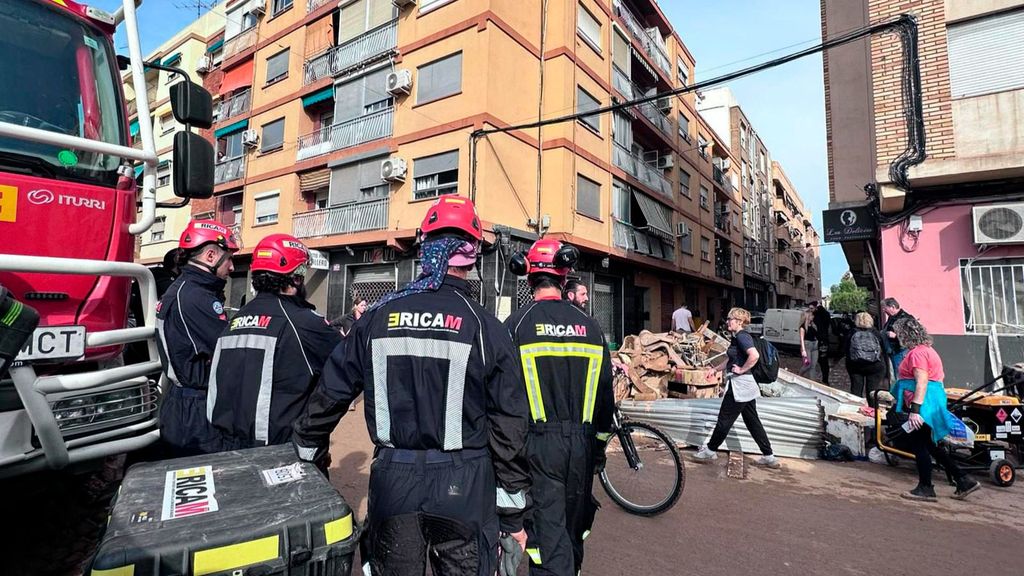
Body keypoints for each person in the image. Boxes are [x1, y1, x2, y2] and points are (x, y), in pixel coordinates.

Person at [292, 195, 531, 576]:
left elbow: (332, 390)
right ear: (472, 255)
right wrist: (514, 514)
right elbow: (510, 424)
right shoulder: (486, 327)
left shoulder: (377, 316)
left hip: (393, 481)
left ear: (424, 248)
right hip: (464, 485)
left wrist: (305, 449)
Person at [504, 239, 614, 576]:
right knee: (573, 527)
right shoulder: (591, 328)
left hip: (537, 447)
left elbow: (504, 400)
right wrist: (596, 451)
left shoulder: (517, 325)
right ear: (565, 277)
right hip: (581, 446)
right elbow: (605, 398)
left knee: (545, 536)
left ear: (528, 279)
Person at [206, 234, 341, 451]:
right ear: (296, 278)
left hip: (226, 444)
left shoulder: (234, 321)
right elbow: (349, 367)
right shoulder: (303, 322)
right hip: (280, 448)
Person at [154, 220, 239, 456]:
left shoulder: (186, 289)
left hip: (185, 403)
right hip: (195, 409)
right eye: (229, 258)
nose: (232, 267)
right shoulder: (196, 297)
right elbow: (231, 351)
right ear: (211, 255)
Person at [890, 317, 980, 501]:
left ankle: (926, 487)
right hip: (932, 400)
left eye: (899, 334)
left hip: (925, 403)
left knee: (919, 445)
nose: (897, 337)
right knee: (930, 444)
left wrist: (915, 410)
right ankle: (963, 479)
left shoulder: (917, 354)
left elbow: (921, 382)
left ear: (905, 335)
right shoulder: (927, 350)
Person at [693, 307, 780, 468]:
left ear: (739, 321)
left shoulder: (742, 337)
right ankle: (769, 456)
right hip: (745, 386)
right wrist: (714, 369)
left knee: (724, 420)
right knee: (753, 422)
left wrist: (741, 369)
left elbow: (754, 355)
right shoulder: (737, 338)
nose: (727, 322)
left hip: (740, 386)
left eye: (729, 319)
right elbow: (731, 359)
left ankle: (710, 451)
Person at [844, 312, 886, 398]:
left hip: (855, 365)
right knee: (872, 391)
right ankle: (873, 409)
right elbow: (883, 348)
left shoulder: (851, 332)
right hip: (875, 365)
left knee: (856, 389)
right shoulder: (876, 332)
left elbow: (846, 348)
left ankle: (856, 408)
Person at [882, 297, 913, 375]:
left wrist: (896, 336)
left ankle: (901, 387)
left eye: (885, 308)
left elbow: (912, 335)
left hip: (900, 351)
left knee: (900, 374)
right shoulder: (892, 317)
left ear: (892, 307)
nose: (883, 310)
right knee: (894, 375)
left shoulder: (906, 318)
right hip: (892, 351)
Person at [812, 302, 832, 385]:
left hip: (817, 339)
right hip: (824, 340)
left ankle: (815, 379)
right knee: (823, 360)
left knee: (816, 360)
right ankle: (825, 379)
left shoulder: (815, 314)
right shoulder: (826, 314)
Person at [799, 304, 820, 381]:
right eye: (811, 315)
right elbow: (801, 339)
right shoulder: (803, 327)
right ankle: (800, 375)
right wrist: (803, 350)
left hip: (815, 345)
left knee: (813, 366)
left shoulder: (813, 325)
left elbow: (816, 335)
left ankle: (812, 381)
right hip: (807, 345)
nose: (813, 317)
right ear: (807, 316)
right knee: (808, 364)